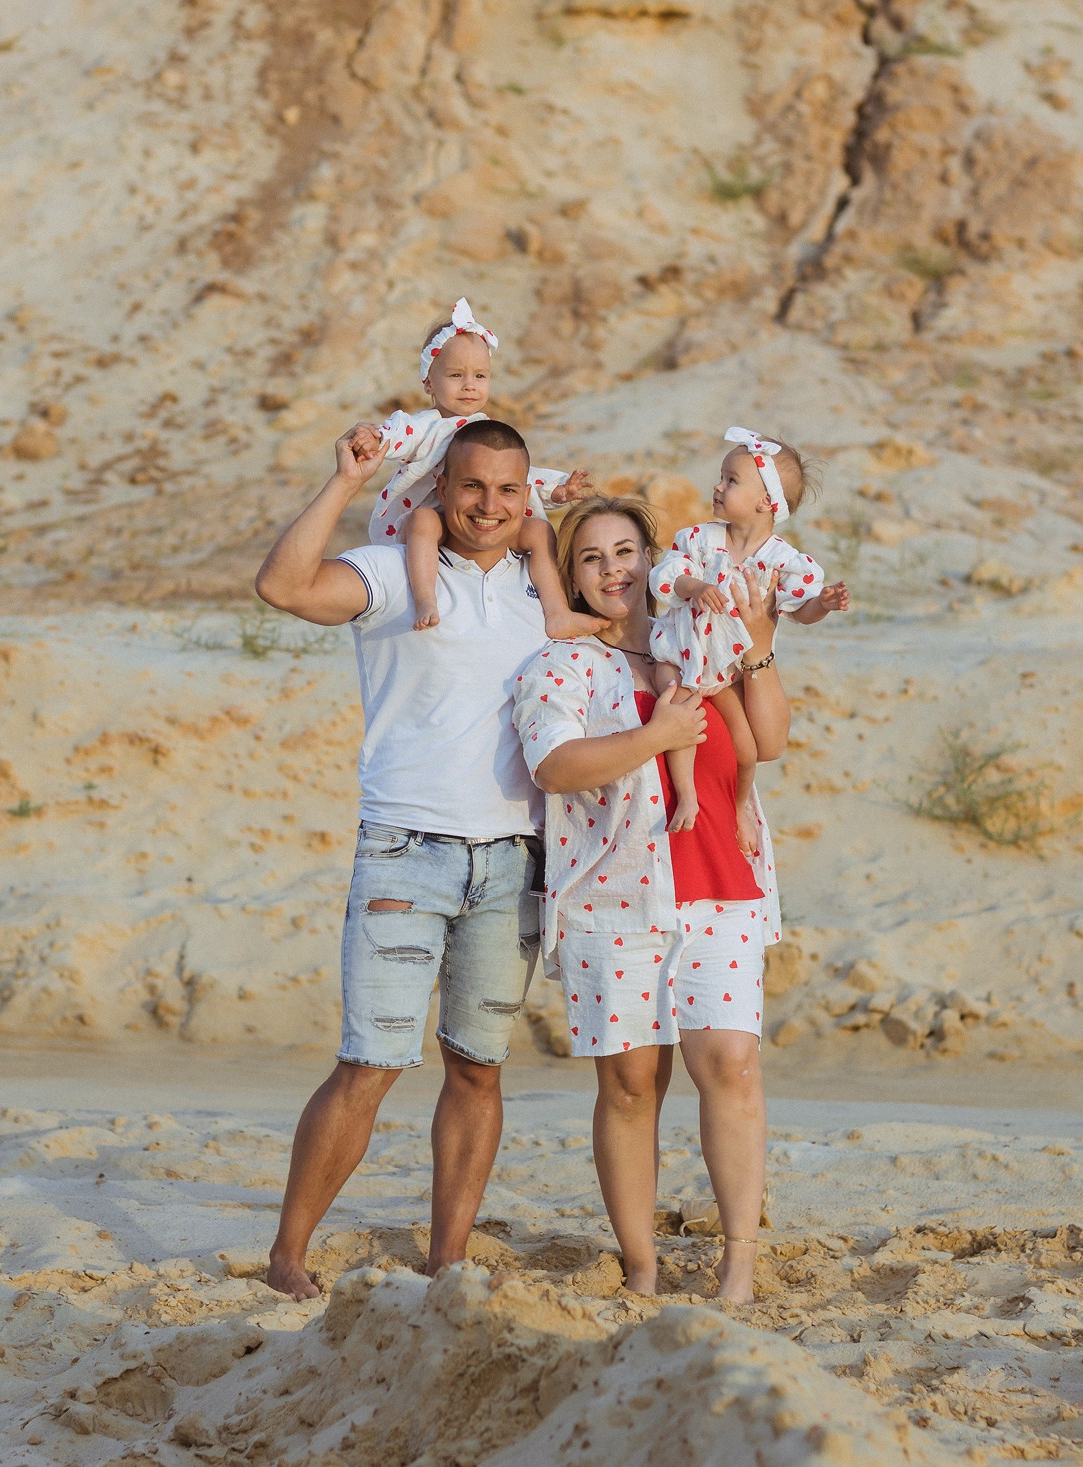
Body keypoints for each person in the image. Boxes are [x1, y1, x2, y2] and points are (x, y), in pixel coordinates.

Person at [252, 414, 566, 1301]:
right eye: (472, 486)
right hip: (404, 853)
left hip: (514, 861)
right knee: (372, 1061)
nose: (489, 506)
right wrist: (346, 480)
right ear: (441, 487)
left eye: (510, 489)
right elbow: (282, 586)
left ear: (527, 493)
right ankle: (288, 1255)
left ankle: (449, 1261)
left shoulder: (542, 594)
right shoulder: (394, 570)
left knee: (476, 1066)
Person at [510, 495, 833, 1304]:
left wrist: (758, 649)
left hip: (721, 883)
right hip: (613, 902)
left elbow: (771, 738)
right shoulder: (560, 663)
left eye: (627, 550)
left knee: (730, 1062)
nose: (614, 568)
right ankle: (644, 1265)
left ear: (655, 560)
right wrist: (653, 738)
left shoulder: (695, 630)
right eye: (592, 557)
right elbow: (554, 765)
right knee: (628, 1087)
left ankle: (739, 1263)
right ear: (573, 577)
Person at [648, 427, 845, 849]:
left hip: (726, 669)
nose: (717, 486)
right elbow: (666, 577)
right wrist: (696, 588)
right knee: (679, 711)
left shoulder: (781, 562)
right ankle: (687, 796)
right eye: (721, 476)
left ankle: (740, 808)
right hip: (681, 654)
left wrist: (823, 604)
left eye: (731, 480)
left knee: (748, 750)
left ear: (765, 502)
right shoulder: (700, 540)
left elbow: (799, 610)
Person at [369, 297, 604, 638]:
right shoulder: (426, 426)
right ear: (428, 383)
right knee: (422, 522)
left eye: (480, 375)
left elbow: (512, 477)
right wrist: (374, 437)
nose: (469, 385)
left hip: (484, 521)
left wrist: (557, 489)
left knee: (538, 531)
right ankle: (425, 600)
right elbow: (397, 433)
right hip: (438, 520)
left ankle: (557, 611)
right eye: (455, 375)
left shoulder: (486, 428)